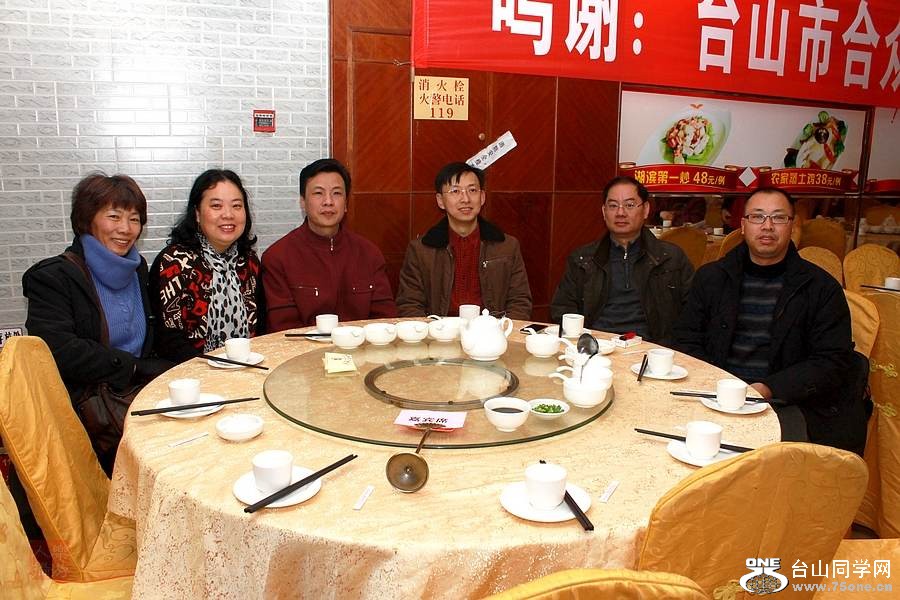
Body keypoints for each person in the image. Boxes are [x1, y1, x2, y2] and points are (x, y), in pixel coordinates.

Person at [674, 187, 869, 454]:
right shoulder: (711, 278)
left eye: (778, 217)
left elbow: (832, 360)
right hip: (713, 396)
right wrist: (717, 384)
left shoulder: (820, 287)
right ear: (743, 225)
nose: (767, 226)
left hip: (788, 402)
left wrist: (766, 389)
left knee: (772, 469)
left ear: (792, 226)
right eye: (757, 217)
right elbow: (686, 339)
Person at [22, 173, 172, 473]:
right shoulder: (53, 277)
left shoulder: (137, 268)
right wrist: (132, 367)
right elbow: (59, 351)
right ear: (87, 219)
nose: (125, 229)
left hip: (134, 398)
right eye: (113, 216)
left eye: (134, 219)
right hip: (88, 417)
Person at [550, 176, 694, 344]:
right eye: (613, 206)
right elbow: (562, 309)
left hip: (651, 348)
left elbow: (692, 314)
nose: (620, 213)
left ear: (646, 209)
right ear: (604, 211)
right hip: (597, 346)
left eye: (629, 205)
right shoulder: (583, 259)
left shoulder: (671, 258)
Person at [262, 158, 396, 331]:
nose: (328, 201)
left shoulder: (369, 254)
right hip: (303, 348)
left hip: (361, 346)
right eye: (318, 193)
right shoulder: (278, 257)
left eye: (336, 193)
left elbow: (385, 321)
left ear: (346, 203)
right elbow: (283, 330)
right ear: (302, 202)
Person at [150, 169, 265, 363]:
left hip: (248, 365)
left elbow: (262, 327)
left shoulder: (249, 262)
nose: (228, 214)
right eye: (216, 206)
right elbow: (168, 340)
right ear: (197, 213)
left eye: (237, 206)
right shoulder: (174, 262)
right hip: (190, 371)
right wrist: (213, 368)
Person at [395, 162, 532, 319]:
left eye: (472, 190)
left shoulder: (507, 246)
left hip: (491, 330)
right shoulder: (421, 250)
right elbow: (409, 304)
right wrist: (433, 330)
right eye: (455, 191)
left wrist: (501, 330)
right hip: (439, 331)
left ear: (482, 197)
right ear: (440, 200)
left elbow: (520, 302)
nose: (465, 199)